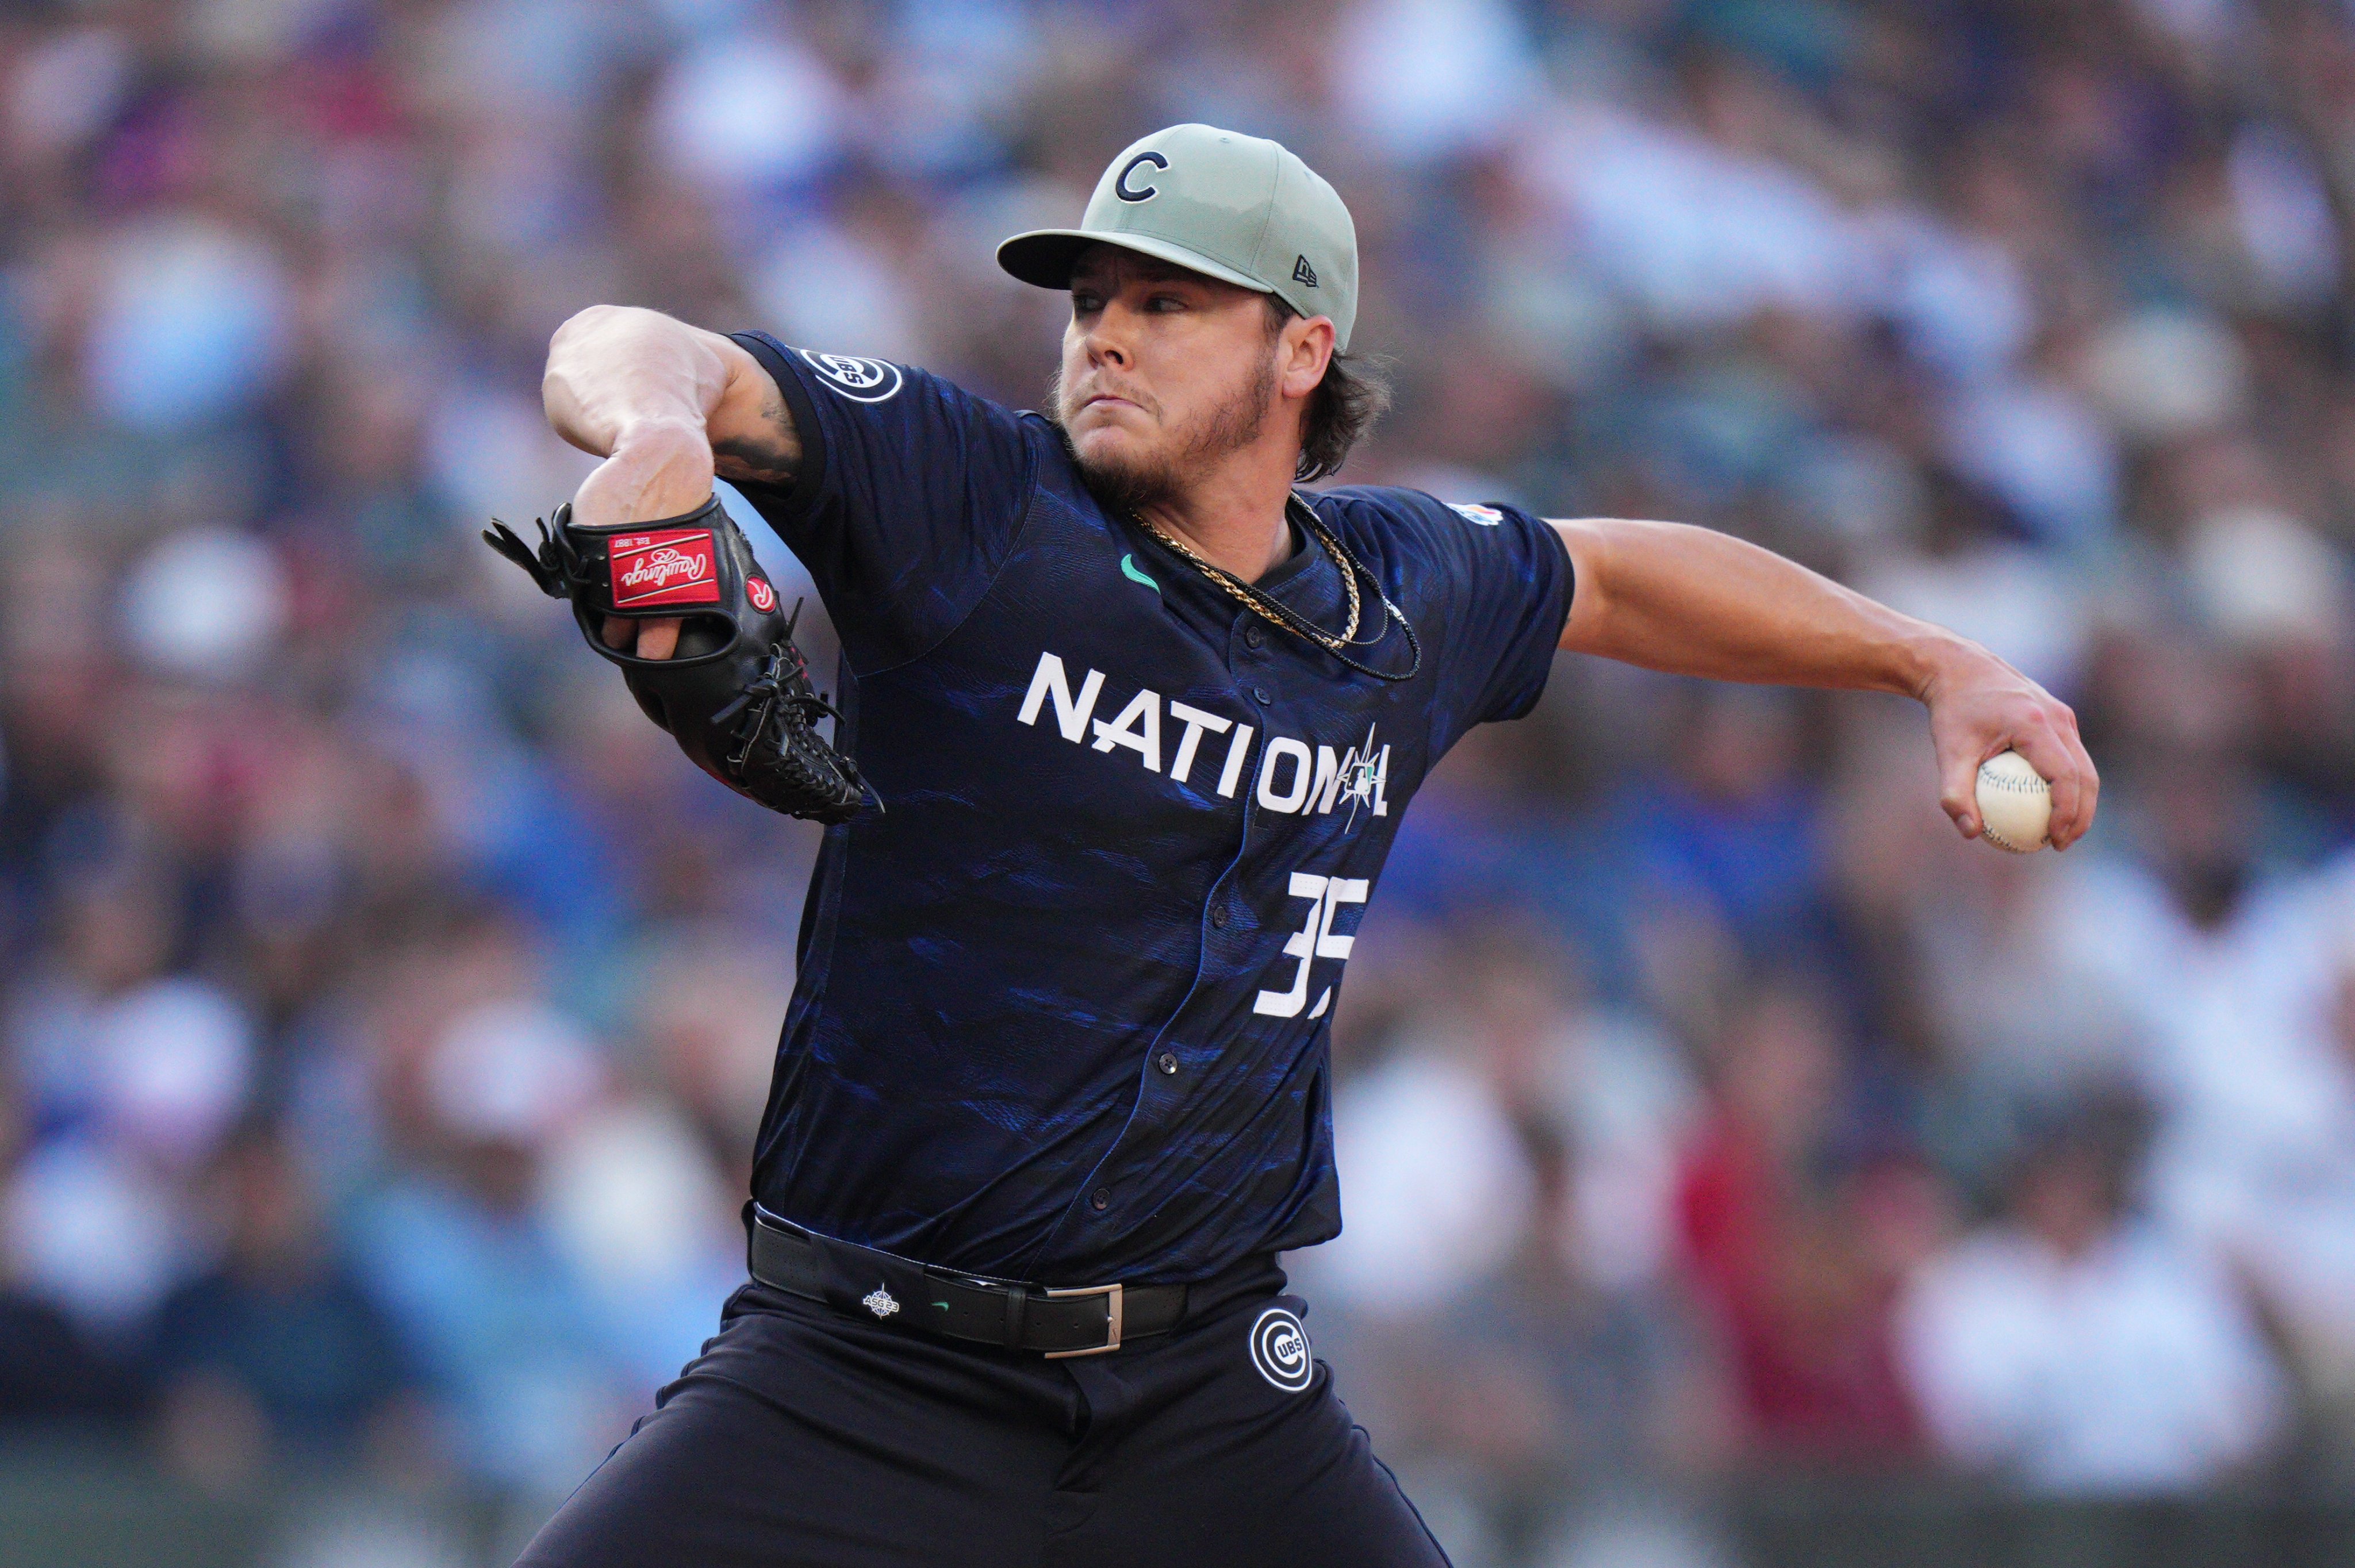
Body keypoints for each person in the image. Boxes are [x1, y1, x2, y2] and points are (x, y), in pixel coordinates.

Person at [514, 125, 2097, 1567]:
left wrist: (1940, 663)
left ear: (1302, 348)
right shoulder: (972, 496)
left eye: (1168, 300)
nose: (1107, 333)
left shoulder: (1403, 599)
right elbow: (628, 346)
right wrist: (654, 424)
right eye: (1089, 303)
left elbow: (1621, 580)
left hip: (1210, 1400)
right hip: (866, 1369)